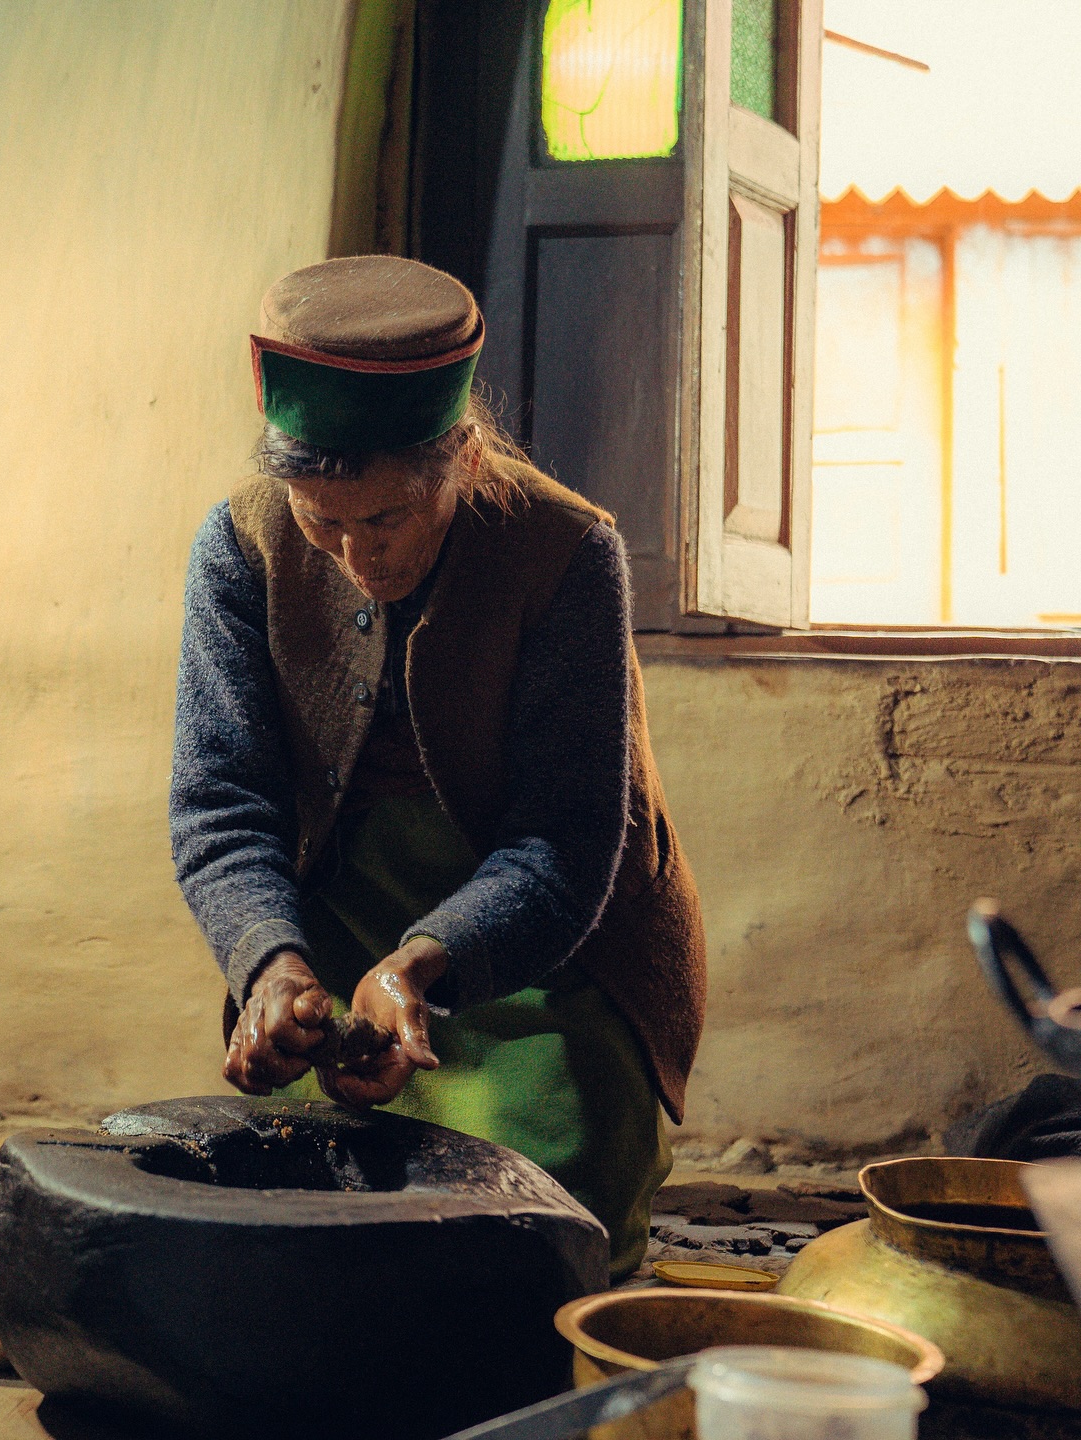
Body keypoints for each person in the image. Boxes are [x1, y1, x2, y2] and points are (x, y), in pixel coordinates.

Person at [170, 255, 705, 1276]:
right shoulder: (239, 547)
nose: (357, 558)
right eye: (322, 522)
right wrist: (275, 968)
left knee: (538, 1206)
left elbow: (565, 841)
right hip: (333, 907)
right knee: (290, 1184)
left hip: (549, 940)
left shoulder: (566, 552)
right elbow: (220, 804)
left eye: (387, 520)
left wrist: (421, 965)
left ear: (459, 457)